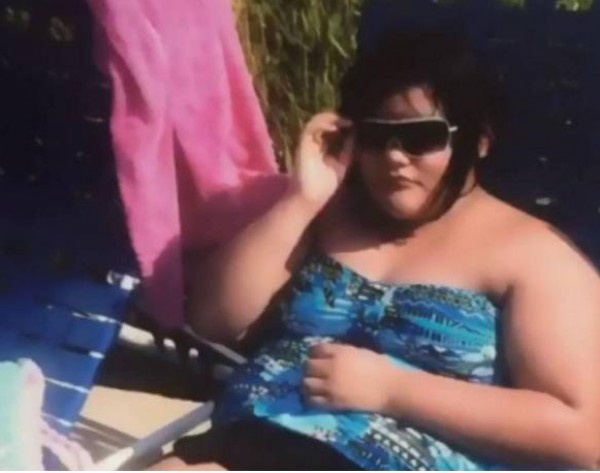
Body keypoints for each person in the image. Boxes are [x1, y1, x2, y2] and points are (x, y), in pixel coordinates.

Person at [153, 31, 600, 470]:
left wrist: (396, 391)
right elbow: (213, 320)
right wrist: (301, 200)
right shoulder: (328, 212)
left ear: (480, 139)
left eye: (421, 136)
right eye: (374, 136)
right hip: (252, 439)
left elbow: (583, 437)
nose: (394, 157)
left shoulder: (534, 256)